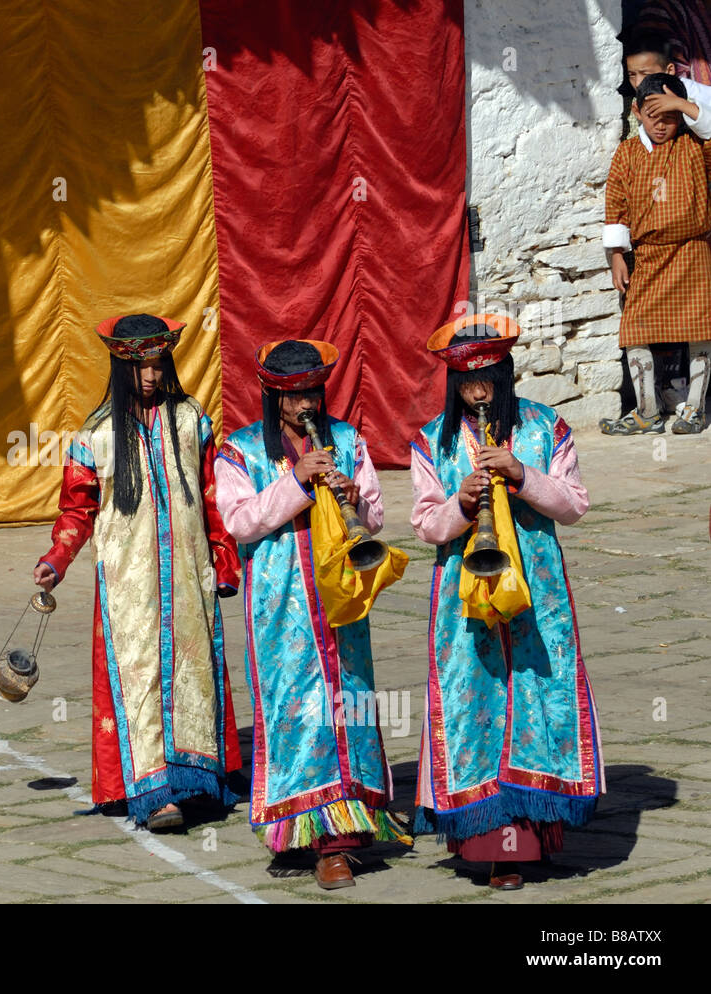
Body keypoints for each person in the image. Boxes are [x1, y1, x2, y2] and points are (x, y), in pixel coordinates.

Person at [411, 314, 604, 891]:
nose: (477, 392)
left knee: (537, 704)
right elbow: (425, 525)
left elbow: (573, 505)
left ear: (505, 372)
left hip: (537, 597)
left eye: (488, 378)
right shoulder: (432, 439)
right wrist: (462, 505)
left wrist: (522, 474)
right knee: (476, 708)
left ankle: (533, 833)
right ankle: (492, 847)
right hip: (463, 598)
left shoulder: (547, 427)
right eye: (466, 383)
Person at [32, 313, 241, 831]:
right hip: (130, 586)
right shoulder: (95, 435)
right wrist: (55, 560)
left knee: (193, 674)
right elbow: (77, 510)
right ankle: (151, 794)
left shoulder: (193, 420)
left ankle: (193, 780)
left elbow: (214, 496)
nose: (150, 376)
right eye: (138, 366)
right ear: (120, 367)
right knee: (141, 677)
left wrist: (224, 556)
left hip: (188, 576)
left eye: (157, 364)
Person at [214, 339, 409, 889]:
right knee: (297, 712)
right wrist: (298, 481)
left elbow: (374, 515)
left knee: (349, 702)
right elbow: (241, 522)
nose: (305, 405)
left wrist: (354, 498)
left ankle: (353, 824)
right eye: (293, 396)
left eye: (312, 394)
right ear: (273, 395)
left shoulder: (346, 438)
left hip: (341, 596)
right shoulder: (241, 450)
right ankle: (319, 841)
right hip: (282, 605)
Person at [602, 71, 711, 435]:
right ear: (636, 112)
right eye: (654, 117)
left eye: (670, 118)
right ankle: (647, 410)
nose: (662, 125)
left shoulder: (695, 145)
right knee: (635, 329)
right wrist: (617, 254)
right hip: (647, 255)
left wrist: (681, 104)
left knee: (701, 328)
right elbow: (615, 204)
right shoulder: (628, 153)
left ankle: (694, 409)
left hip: (693, 250)